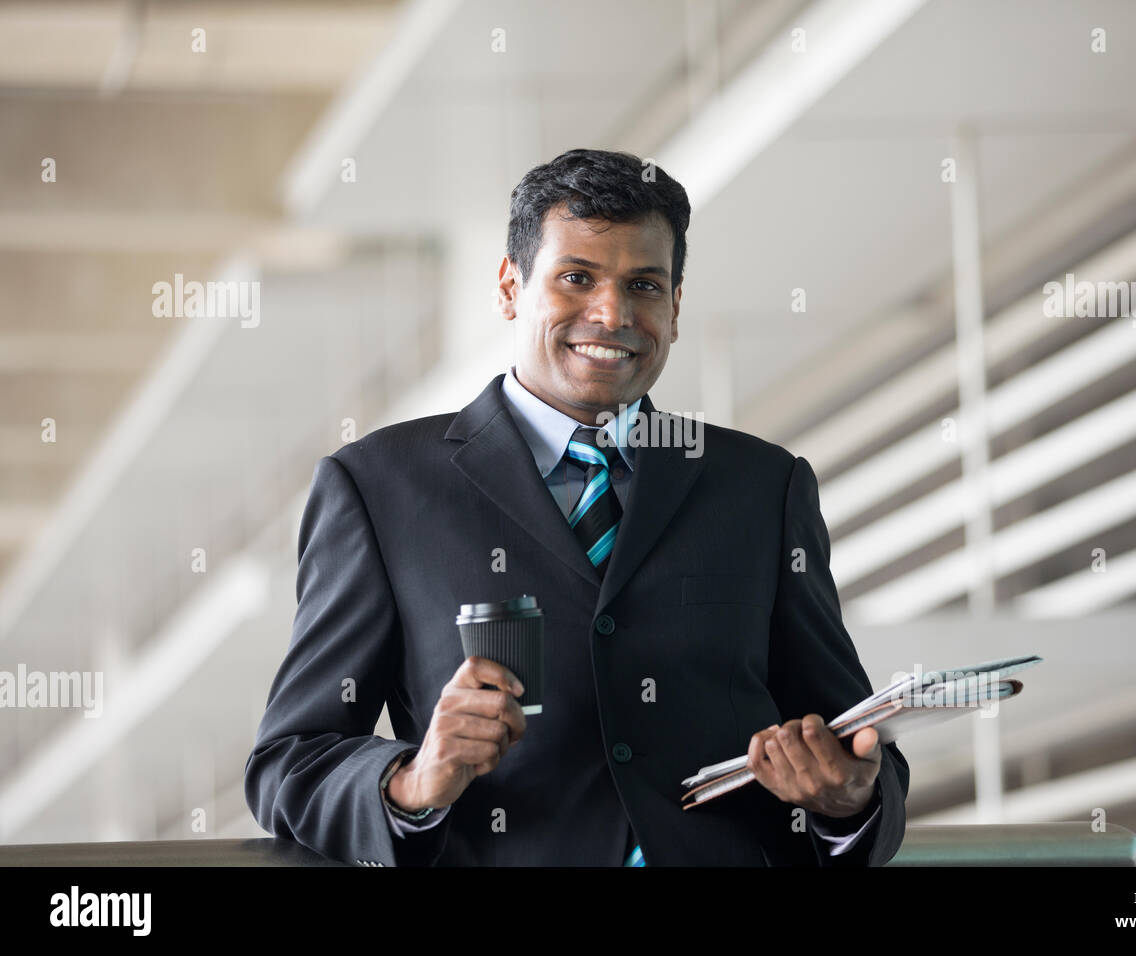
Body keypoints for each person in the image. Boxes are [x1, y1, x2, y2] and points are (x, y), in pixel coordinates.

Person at [244, 148, 908, 866]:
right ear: (509, 287)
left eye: (645, 285)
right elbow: (292, 760)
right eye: (577, 278)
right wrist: (411, 781)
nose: (613, 313)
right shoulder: (378, 487)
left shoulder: (762, 486)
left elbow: (853, 743)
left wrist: (848, 799)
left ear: (675, 308)